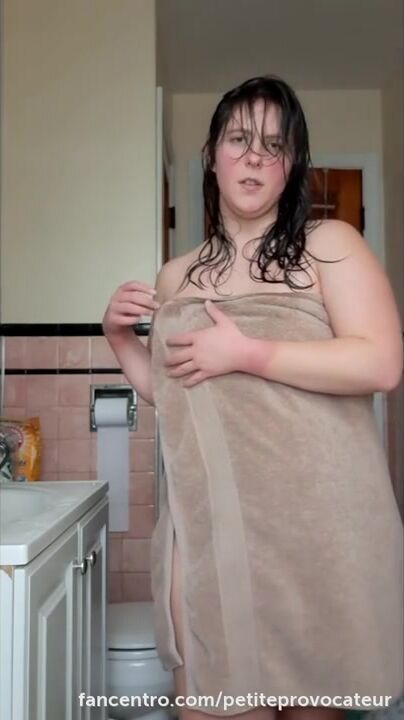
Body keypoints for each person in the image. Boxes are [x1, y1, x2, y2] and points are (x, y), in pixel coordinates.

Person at [103, 75, 404, 720]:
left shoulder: (330, 246)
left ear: (291, 166)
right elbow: (179, 397)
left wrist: (248, 354)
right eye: (239, 139)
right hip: (212, 533)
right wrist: (120, 340)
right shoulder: (176, 275)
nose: (255, 157)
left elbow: (381, 363)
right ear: (211, 154)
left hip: (317, 530)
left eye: (275, 145)